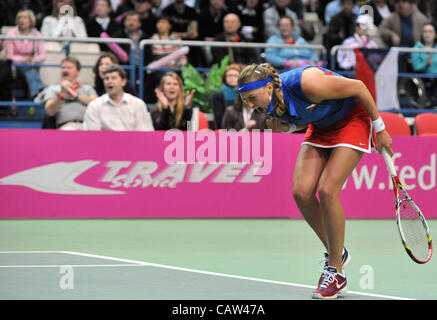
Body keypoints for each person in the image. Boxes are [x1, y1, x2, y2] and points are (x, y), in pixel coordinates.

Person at [237, 63, 393, 299]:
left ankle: (336, 273)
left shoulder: (308, 82)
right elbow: (306, 117)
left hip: (353, 119)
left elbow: (359, 87)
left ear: (268, 86)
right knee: (301, 192)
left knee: (328, 190)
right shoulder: (267, 104)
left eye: (250, 97)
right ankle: (337, 253)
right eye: (244, 100)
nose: (248, 104)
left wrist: (379, 128)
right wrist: (288, 127)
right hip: (322, 127)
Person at [83, 64, 154, 130]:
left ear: (123, 82)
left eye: (113, 78)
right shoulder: (94, 106)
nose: (109, 81)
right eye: (106, 78)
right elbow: (92, 136)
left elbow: (145, 132)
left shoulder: (138, 104)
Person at [43, 56, 98, 130]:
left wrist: (76, 96)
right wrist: (61, 95)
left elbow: (96, 105)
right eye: (63, 68)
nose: (65, 70)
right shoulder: (54, 89)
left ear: (77, 72)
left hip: (89, 125)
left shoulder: (87, 88)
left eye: (69, 68)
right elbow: (50, 111)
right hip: (68, 125)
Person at [6, 9, 46, 99]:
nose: (21, 20)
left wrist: (33, 60)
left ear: (30, 20)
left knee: (30, 70)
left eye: (24, 17)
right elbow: (9, 56)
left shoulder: (37, 34)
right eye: (19, 18)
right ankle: (39, 91)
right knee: (29, 69)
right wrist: (23, 59)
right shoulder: (11, 34)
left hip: (30, 64)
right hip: (15, 66)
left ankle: (35, 94)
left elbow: (43, 55)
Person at [411, 23, 437, 108]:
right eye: (425, 31)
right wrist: (426, 63)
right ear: (422, 34)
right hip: (424, 78)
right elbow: (416, 67)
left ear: (435, 34)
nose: (427, 34)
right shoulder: (416, 48)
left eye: (430, 31)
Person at [211, 63, 242, 129]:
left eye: (235, 76)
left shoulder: (244, 94)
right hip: (226, 128)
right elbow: (219, 118)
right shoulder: (218, 95)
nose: (232, 78)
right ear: (224, 78)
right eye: (229, 75)